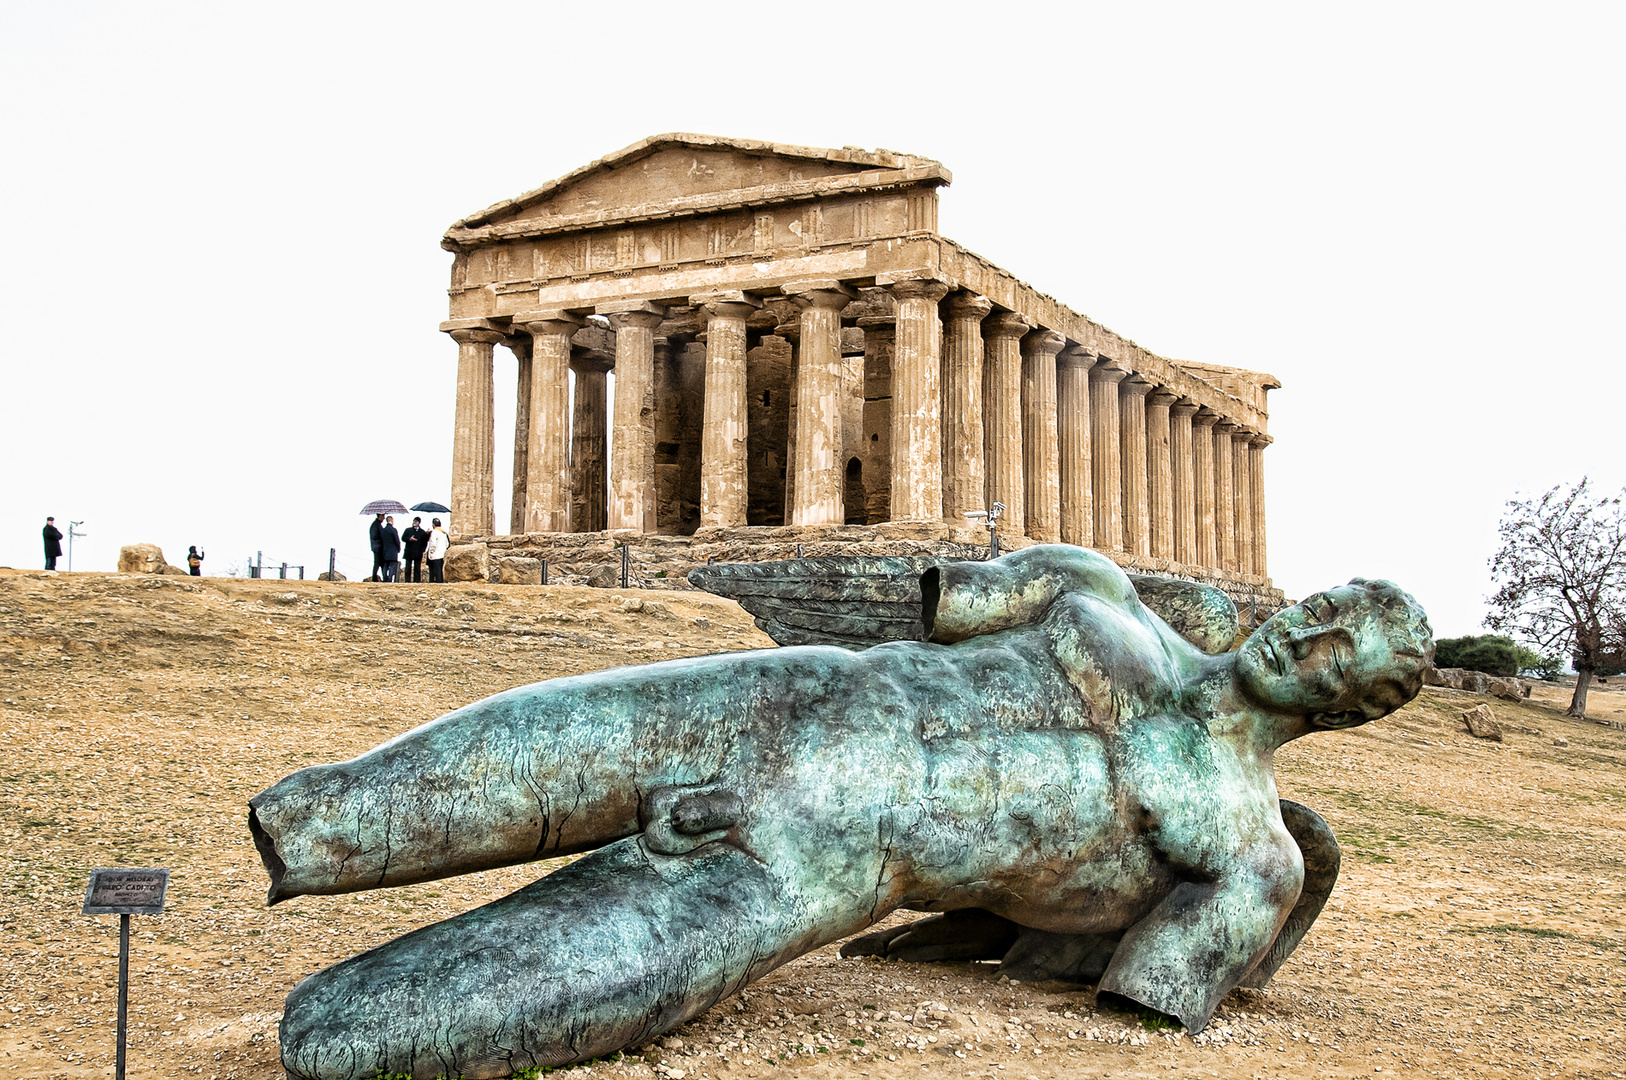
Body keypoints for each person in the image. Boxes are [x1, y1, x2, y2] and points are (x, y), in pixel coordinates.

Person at [253, 546, 1433, 1077]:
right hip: (781, 699)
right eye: (1324, 605)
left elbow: (1148, 993)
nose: (1307, 634)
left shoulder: (1251, 856)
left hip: (831, 863)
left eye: (1338, 657)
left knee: (358, 1032)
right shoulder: (1099, 594)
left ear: (1351, 711)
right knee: (399, 786)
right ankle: (301, 832)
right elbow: (911, 599)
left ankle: (331, 1037)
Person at [399, 517, 430, 584]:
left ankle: (417, 581)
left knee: (417, 568)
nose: (414, 522)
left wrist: (427, 534)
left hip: (418, 552)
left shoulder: (422, 532)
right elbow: (403, 538)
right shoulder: (408, 530)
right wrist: (410, 539)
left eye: (416, 521)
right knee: (408, 568)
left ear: (419, 522)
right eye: (414, 521)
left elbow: (425, 542)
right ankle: (407, 581)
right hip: (409, 552)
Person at [424, 518, 449, 583]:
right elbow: (447, 544)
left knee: (434, 570)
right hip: (442, 554)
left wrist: (431, 551)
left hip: (435, 554)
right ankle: (440, 581)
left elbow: (433, 543)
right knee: (440, 569)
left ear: (433, 525)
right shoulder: (444, 533)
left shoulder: (434, 532)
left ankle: (435, 581)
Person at [378, 515, 401, 583]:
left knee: (385, 565)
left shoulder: (383, 530)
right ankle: (390, 579)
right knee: (392, 565)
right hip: (393, 551)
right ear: (392, 521)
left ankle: (385, 578)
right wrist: (398, 548)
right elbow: (397, 540)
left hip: (385, 550)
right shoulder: (393, 530)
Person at [368, 513, 385, 582]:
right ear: (380, 516)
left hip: (378, 546)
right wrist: (382, 536)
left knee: (380, 563)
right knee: (377, 563)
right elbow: (374, 536)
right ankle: (374, 578)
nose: (384, 518)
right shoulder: (375, 525)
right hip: (377, 547)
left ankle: (382, 577)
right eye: (383, 516)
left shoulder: (377, 524)